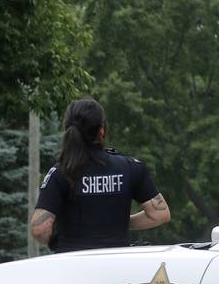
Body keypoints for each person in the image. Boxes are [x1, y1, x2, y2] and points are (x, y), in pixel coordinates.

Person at [31, 98, 170, 251]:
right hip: (116, 264)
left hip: (71, 265)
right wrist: (118, 223)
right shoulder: (131, 168)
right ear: (102, 131)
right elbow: (160, 214)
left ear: (68, 129)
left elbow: (40, 230)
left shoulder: (60, 173)